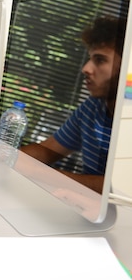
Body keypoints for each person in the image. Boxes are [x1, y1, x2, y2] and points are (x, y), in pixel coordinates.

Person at [21, 16, 125, 192]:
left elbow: (121, 187)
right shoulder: (93, 107)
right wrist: (4, 159)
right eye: (90, 58)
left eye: (100, 60)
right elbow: (47, 150)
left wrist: (45, 175)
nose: (86, 68)